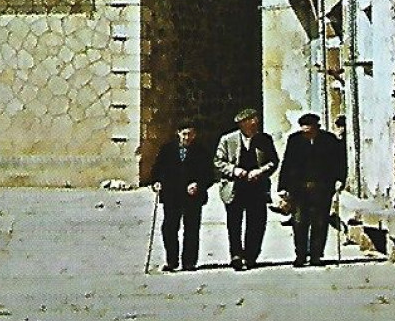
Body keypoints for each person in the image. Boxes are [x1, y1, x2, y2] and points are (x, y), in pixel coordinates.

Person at [141, 125, 215, 272]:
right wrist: (156, 182)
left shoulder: (201, 151)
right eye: (184, 134)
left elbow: (209, 174)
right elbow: (157, 169)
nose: (187, 137)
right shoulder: (167, 149)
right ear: (178, 133)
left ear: (194, 135)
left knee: (192, 229)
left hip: (192, 196)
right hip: (171, 195)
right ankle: (172, 260)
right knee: (169, 228)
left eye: (190, 134)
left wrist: (198, 184)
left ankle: (189, 262)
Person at [279, 113, 348, 267]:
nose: (306, 132)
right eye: (304, 130)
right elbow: (287, 163)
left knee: (320, 222)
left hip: (322, 187)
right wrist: (282, 187)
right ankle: (301, 255)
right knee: (299, 222)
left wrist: (340, 179)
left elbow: (340, 162)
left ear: (317, 127)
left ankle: (316, 255)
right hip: (299, 188)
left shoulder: (329, 140)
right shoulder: (294, 140)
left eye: (309, 129)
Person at [214, 108, 279, 271]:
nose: (254, 126)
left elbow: (273, 162)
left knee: (257, 222)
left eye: (256, 123)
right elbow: (218, 161)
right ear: (242, 125)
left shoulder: (265, 140)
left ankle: (251, 255)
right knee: (234, 223)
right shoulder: (228, 140)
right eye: (251, 123)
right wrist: (234, 170)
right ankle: (236, 255)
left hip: (257, 188)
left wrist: (260, 171)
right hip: (235, 187)